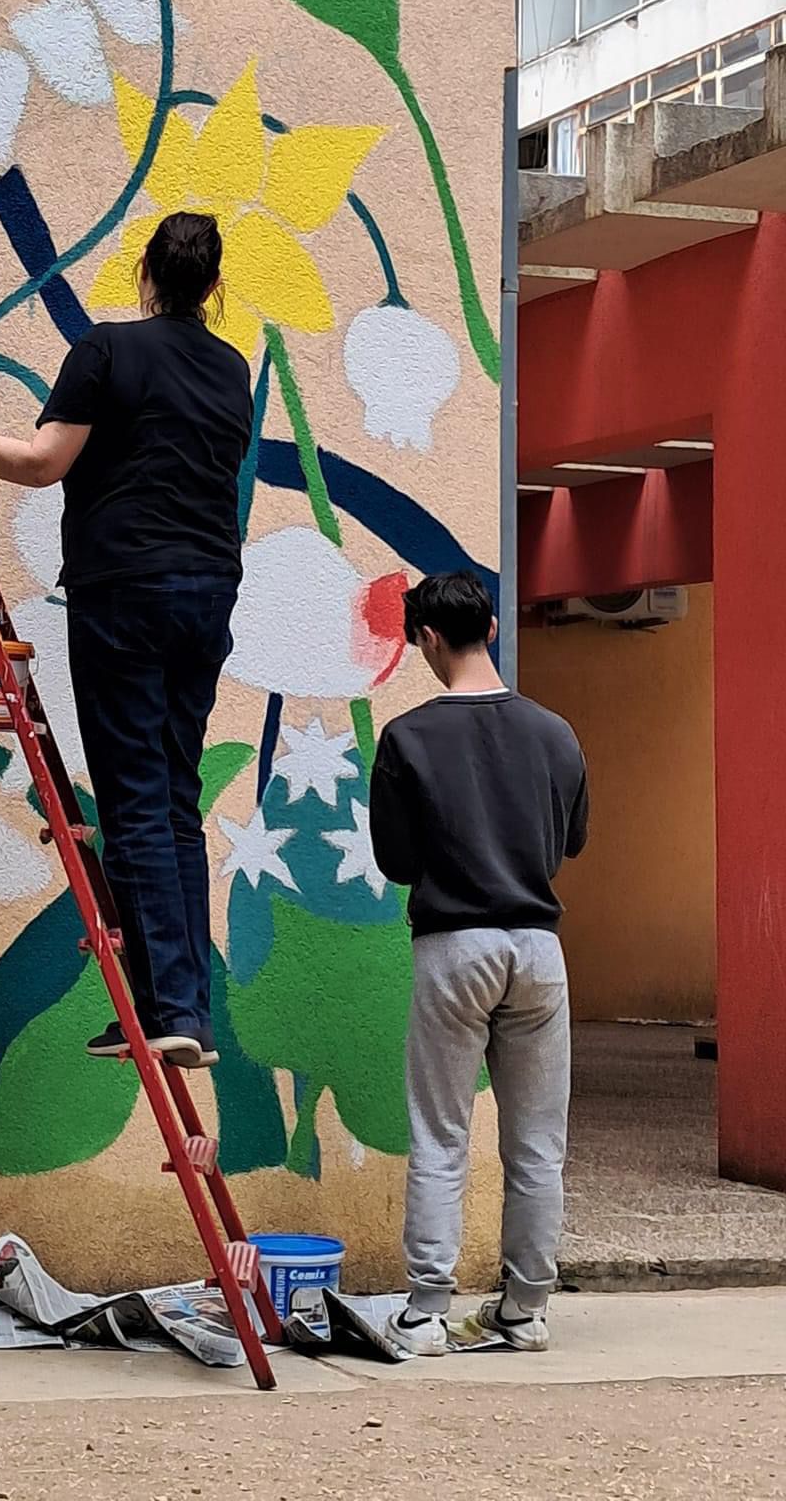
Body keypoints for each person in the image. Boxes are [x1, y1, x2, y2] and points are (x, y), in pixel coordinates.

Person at [0, 210, 253, 1070]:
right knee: (176, 798)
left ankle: (167, 1007)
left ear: (145, 274)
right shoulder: (231, 368)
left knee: (135, 798)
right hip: (207, 593)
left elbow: (42, 461)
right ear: (213, 285)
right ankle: (182, 1009)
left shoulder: (107, 350)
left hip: (125, 590)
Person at [369, 570, 589, 1355]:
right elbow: (571, 841)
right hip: (539, 950)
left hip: (453, 947)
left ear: (428, 638)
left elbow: (397, 862)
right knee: (537, 1144)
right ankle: (524, 1310)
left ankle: (427, 1310)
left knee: (441, 1134)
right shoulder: (556, 733)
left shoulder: (407, 738)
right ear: (491, 629)